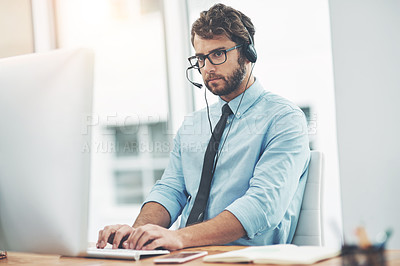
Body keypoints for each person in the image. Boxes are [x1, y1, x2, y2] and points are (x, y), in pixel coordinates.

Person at [96, 3, 310, 251]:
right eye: (200, 58)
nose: (207, 67)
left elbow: (263, 206)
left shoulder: (283, 119)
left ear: (248, 53)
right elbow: (171, 189)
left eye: (218, 54)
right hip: (187, 253)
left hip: (244, 256)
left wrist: (181, 237)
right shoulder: (193, 124)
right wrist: (136, 234)